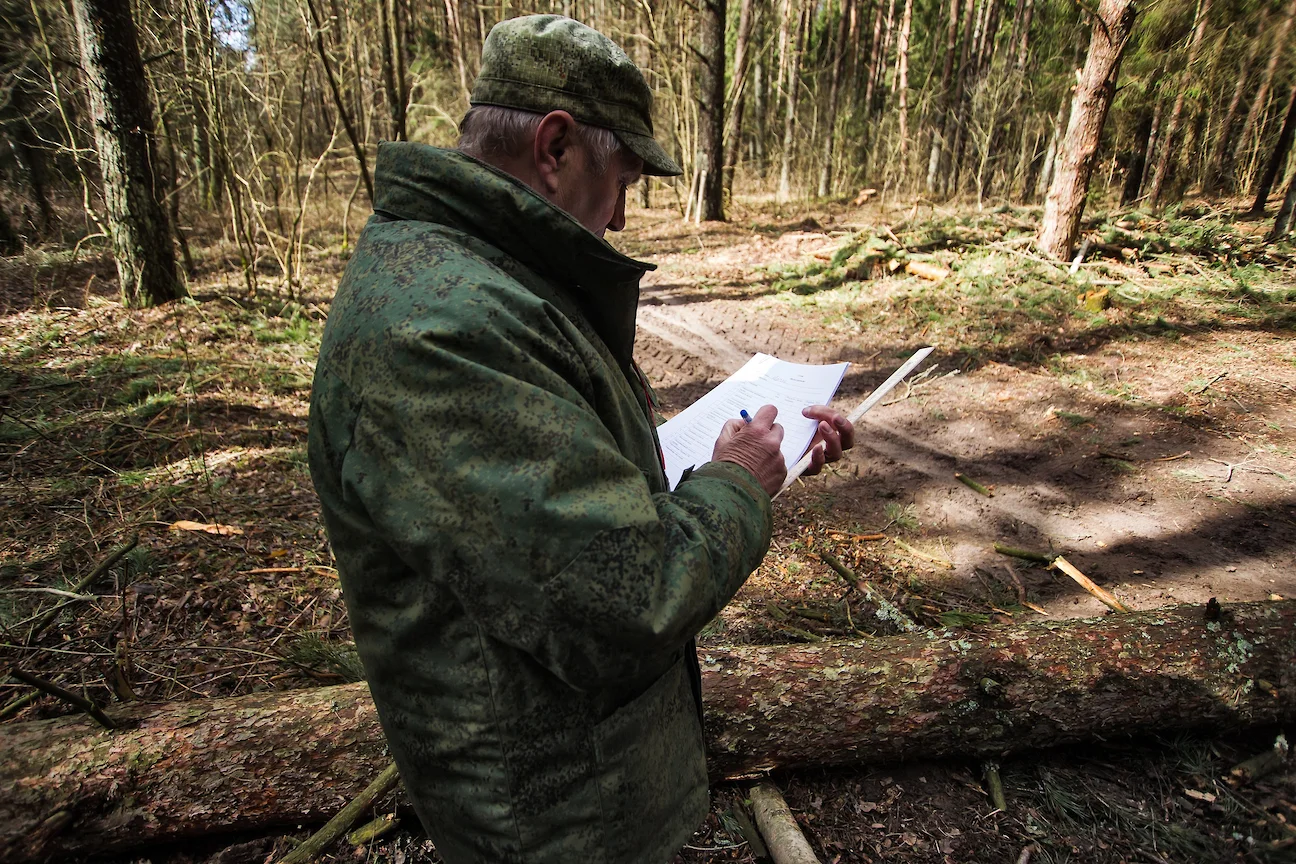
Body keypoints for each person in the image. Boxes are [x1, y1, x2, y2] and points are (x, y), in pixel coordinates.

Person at [307, 14, 853, 864]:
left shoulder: (489, 277)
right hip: (547, 816)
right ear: (555, 149)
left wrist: (750, 465)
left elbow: (560, 505)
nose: (625, 216)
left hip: (571, 782)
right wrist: (737, 485)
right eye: (624, 177)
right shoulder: (441, 330)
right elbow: (629, 604)